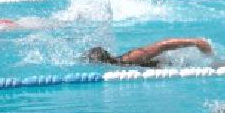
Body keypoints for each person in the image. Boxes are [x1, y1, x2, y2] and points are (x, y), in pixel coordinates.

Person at [85, 38, 213, 68]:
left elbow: (164, 45)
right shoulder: (120, 65)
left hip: (182, 62)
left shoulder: (131, 58)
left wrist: (195, 42)